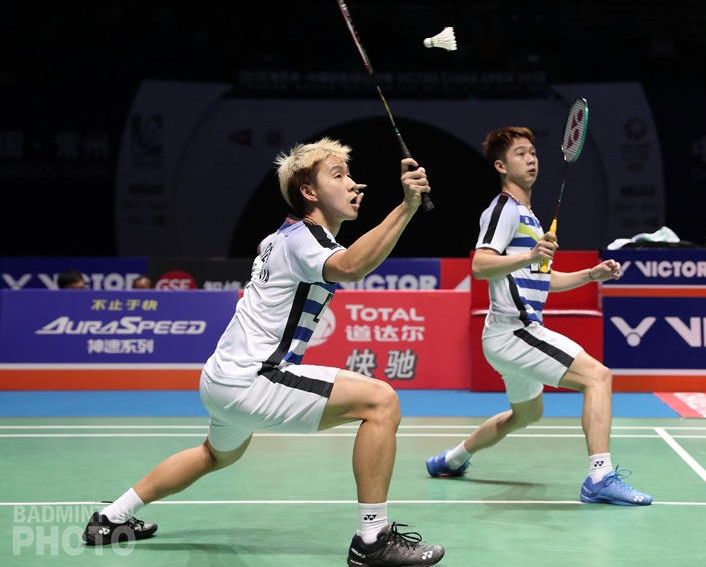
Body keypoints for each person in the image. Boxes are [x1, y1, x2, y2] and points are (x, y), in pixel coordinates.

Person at [83, 138, 446, 566]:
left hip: (220, 378)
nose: (354, 184)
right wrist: (406, 207)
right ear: (308, 192)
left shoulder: (284, 236)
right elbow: (351, 267)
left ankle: (110, 518)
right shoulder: (302, 240)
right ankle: (372, 540)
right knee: (381, 402)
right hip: (254, 378)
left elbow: (271, 246)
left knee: (214, 455)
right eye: (338, 176)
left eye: (350, 175)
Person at [425, 126, 652, 506]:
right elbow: (480, 265)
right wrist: (531, 255)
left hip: (507, 335)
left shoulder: (528, 217)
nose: (530, 159)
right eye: (520, 154)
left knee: (526, 415)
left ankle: (451, 459)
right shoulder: (503, 210)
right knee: (598, 377)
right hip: (514, 331)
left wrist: (590, 275)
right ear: (500, 166)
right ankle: (600, 477)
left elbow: (544, 280)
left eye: (532, 152)